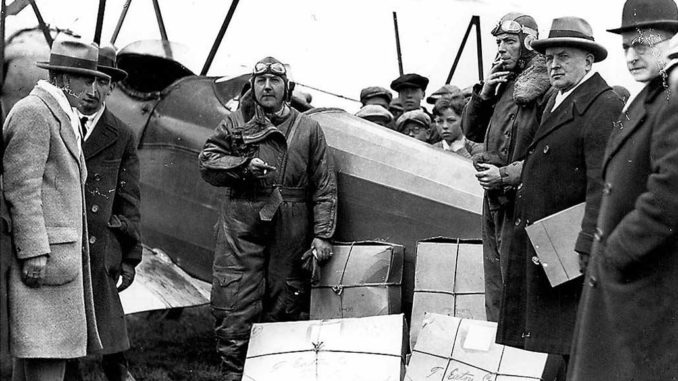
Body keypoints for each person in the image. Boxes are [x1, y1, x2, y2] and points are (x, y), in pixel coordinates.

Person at [496, 17, 623, 380]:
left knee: (575, 345)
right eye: (549, 57)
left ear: (588, 61)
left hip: (571, 250)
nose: (553, 64)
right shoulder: (559, 99)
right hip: (552, 247)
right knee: (560, 344)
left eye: (563, 56)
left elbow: (606, 183)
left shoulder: (604, 105)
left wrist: (586, 244)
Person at [198, 56, 337, 381]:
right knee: (234, 299)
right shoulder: (235, 122)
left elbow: (324, 182)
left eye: (275, 80)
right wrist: (244, 166)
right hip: (242, 220)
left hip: (291, 222)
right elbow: (207, 162)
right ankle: (233, 373)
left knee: (286, 301)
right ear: (254, 86)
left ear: (286, 88)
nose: (268, 86)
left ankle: (274, 373)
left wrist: (322, 234)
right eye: (261, 81)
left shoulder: (308, 128)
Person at [569, 0, 678, 379]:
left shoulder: (673, 96)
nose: (631, 55)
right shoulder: (650, 94)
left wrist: (615, 253)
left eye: (643, 44)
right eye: (626, 47)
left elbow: (671, 192)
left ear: (673, 41)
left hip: (646, 280)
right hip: (632, 281)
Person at [2, 37, 106, 381]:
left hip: (56, 261)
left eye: (96, 80)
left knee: (37, 356)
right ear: (62, 77)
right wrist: (33, 251)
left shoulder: (61, 113)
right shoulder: (34, 112)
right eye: (85, 80)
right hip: (44, 262)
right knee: (44, 357)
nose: (94, 89)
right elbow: (21, 187)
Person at [461, 12, 551, 322]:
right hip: (495, 200)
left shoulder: (545, 90)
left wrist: (504, 174)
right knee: (496, 290)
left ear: (528, 44)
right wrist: (484, 95)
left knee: (520, 291)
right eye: (499, 42)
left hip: (524, 200)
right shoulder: (500, 86)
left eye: (509, 42)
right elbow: (471, 132)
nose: (501, 49)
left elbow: (549, 155)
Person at [65, 44, 141, 381]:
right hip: (65, 240)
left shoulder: (122, 134)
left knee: (108, 317)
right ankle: (69, 370)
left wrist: (129, 258)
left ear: (111, 86)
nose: (93, 91)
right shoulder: (58, 123)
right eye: (86, 79)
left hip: (103, 244)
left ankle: (118, 369)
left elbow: (130, 200)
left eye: (104, 81)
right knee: (65, 323)